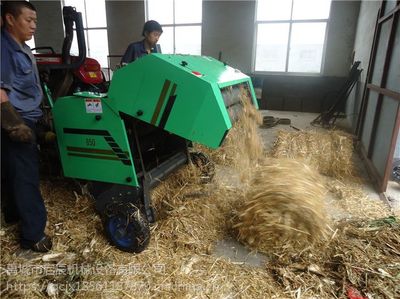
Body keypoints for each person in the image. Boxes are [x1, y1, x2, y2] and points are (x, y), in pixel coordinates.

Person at [1, 1, 52, 252]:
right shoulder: (3, 48)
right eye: (28, 20)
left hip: (29, 115)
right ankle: (32, 237)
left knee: (11, 171)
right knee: (26, 176)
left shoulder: (23, 48)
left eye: (35, 21)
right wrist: (14, 124)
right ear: (10, 19)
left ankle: (12, 216)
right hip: (16, 120)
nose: (33, 26)